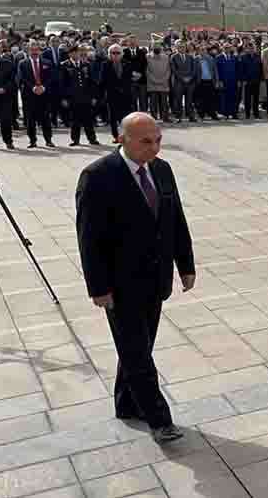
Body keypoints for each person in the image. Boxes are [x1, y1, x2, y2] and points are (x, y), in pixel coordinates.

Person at [76, 112, 196, 443]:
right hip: (119, 284)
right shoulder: (98, 176)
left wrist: (186, 265)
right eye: (146, 142)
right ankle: (159, 420)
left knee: (137, 347)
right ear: (122, 139)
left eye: (158, 140)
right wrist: (98, 287)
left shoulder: (162, 169)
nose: (154, 148)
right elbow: (89, 238)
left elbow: (175, 220)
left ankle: (127, 403)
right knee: (137, 354)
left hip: (156, 279)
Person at [60, 45, 101, 146]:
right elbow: (62, 83)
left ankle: (92, 139)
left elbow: (92, 82)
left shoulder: (86, 64)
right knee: (75, 120)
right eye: (74, 52)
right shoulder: (64, 65)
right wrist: (64, 98)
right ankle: (75, 139)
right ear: (70, 54)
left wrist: (94, 96)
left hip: (86, 97)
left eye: (78, 52)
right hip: (72, 97)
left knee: (88, 119)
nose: (77, 54)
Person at [17, 41, 55, 148]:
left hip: (44, 94)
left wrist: (43, 87)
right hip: (29, 94)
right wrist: (33, 87)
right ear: (28, 51)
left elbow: (51, 77)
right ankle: (32, 141)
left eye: (36, 50)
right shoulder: (22, 63)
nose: (34, 52)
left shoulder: (47, 62)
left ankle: (48, 140)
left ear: (39, 51)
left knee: (45, 118)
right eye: (32, 50)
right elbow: (22, 78)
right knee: (30, 119)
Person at [170, 42, 198, 122]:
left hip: (190, 82)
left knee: (189, 100)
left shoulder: (190, 57)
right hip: (179, 82)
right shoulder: (173, 57)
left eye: (183, 47)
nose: (182, 48)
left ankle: (191, 116)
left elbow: (194, 69)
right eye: (180, 47)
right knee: (178, 100)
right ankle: (178, 117)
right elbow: (174, 70)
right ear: (177, 48)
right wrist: (182, 78)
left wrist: (190, 77)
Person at [146, 45, 172, 123]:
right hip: (152, 83)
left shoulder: (166, 57)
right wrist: (154, 80)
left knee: (164, 102)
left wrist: (164, 79)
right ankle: (153, 118)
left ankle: (165, 117)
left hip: (163, 83)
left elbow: (169, 70)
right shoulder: (147, 57)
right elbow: (147, 71)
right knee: (153, 102)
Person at [123, 35, 148, 113]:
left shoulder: (142, 52)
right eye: (130, 41)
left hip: (142, 81)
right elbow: (124, 65)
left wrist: (140, 74)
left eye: (134, 41)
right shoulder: (124, 52)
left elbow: (145, 65)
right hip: (130, 81)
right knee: (132, 101)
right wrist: (132, 74)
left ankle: (143, 116)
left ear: (137, 42)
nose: (132, 43)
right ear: (127, 42)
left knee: (143, 101)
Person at [195, 45, 220, 121]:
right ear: (198, 51)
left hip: (210, 81)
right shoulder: (196, 59)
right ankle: (201, 115)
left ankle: (213, 114)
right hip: (200, 81)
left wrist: (217, 81)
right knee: (200, 100)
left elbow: (215, 70)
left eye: (204, 49)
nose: (203, 51)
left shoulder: (211, 58)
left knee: (211, 99)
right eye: (201, 50)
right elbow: (194, 71)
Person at [239, 44, 263, 120]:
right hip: (247, 81)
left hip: (256, 80)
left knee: (256, 98)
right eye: (249, 48)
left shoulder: (258, 56)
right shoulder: (243, 57)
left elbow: (260, 68)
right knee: (247, 99)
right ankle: (247, 114)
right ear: (246, 49)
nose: (251, 50)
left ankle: (256, 114)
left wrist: (260, 78)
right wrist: (244, 80)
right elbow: (241, 70)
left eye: (252, 48)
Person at [217, 45, 239, 119]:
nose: (227, 49)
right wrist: (219, 80)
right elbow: (217, 70)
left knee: (232, 97)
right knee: (223, 98)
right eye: (226, 48)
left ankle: (233, 113)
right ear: (223, 49)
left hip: (233, 81)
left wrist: (238, 80)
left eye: (229, 48)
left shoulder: (234, 57)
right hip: (223, 81)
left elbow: (237, 69)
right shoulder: (219, 57)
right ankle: (225, 113)